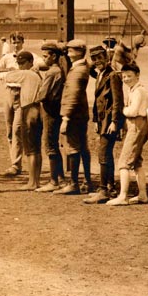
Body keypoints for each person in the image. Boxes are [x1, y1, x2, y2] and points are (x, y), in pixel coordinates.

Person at [83, 44, 125, 203]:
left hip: (109, 121)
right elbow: (97, 101)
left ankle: (102, 189)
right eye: (94, 59)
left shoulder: (112, 75)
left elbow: (117, 101)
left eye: (100, 58)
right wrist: (95, 120)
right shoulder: (100, 74)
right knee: (106, 154)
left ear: (107, 58)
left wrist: (115, 121)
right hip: (102, 120)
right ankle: (110, 187)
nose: (97, 61)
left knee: (103, 153)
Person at [106, 63, 148, 205]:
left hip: (137, 123)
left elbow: (132, 111)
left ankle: (123, 196)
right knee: (136, 162)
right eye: (124, 76)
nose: (126, 79)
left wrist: (123, 110)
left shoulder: (139, 91)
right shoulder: (133, 90)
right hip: (135, 124)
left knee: (124, 162)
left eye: (129, 76)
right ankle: (143, 194)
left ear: (137, 75)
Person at [0, 51, 43, 190]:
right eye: (18, 63)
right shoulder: (34, 74)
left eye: (22, 63)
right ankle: (35, 181)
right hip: (35, 108)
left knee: (30, 149)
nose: (20, 66)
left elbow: (8, 77)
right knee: (35, 149)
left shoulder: (27, 73)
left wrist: (11, 69)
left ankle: (32, 182)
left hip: (29, 109)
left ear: (30, 62)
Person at [55, 39, 93, 196]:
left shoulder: (78, 71)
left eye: (71, 50)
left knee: (73, 148)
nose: (68, 53)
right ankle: (87, 181)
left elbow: (73, 95)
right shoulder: (82, 67)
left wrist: (66, 118)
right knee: (82, 147)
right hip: (80, 115)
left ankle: (74, 183)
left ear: (79, 52)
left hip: (74, 116)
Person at [0, 35, 25, 175]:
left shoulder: (30, 56)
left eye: (18, 42)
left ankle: (16, 164)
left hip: (23, 94)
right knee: (9, 130)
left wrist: (10, 75)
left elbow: (40, 66)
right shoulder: (7, 57)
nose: (16, 45)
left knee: (17, 129)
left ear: (23, 42)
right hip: (9, 93)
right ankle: (15, 163)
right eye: (13, 42)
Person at [36, 41, 66, 192]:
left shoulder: (51, 72)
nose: (44, 59)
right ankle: (60, 179)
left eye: (46, 56)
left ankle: (54, 181)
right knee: (53, 144)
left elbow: (42, 94)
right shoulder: (59, 70)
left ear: (54, 56)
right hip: (56, 110)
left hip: (49, 111)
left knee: (49, 146)